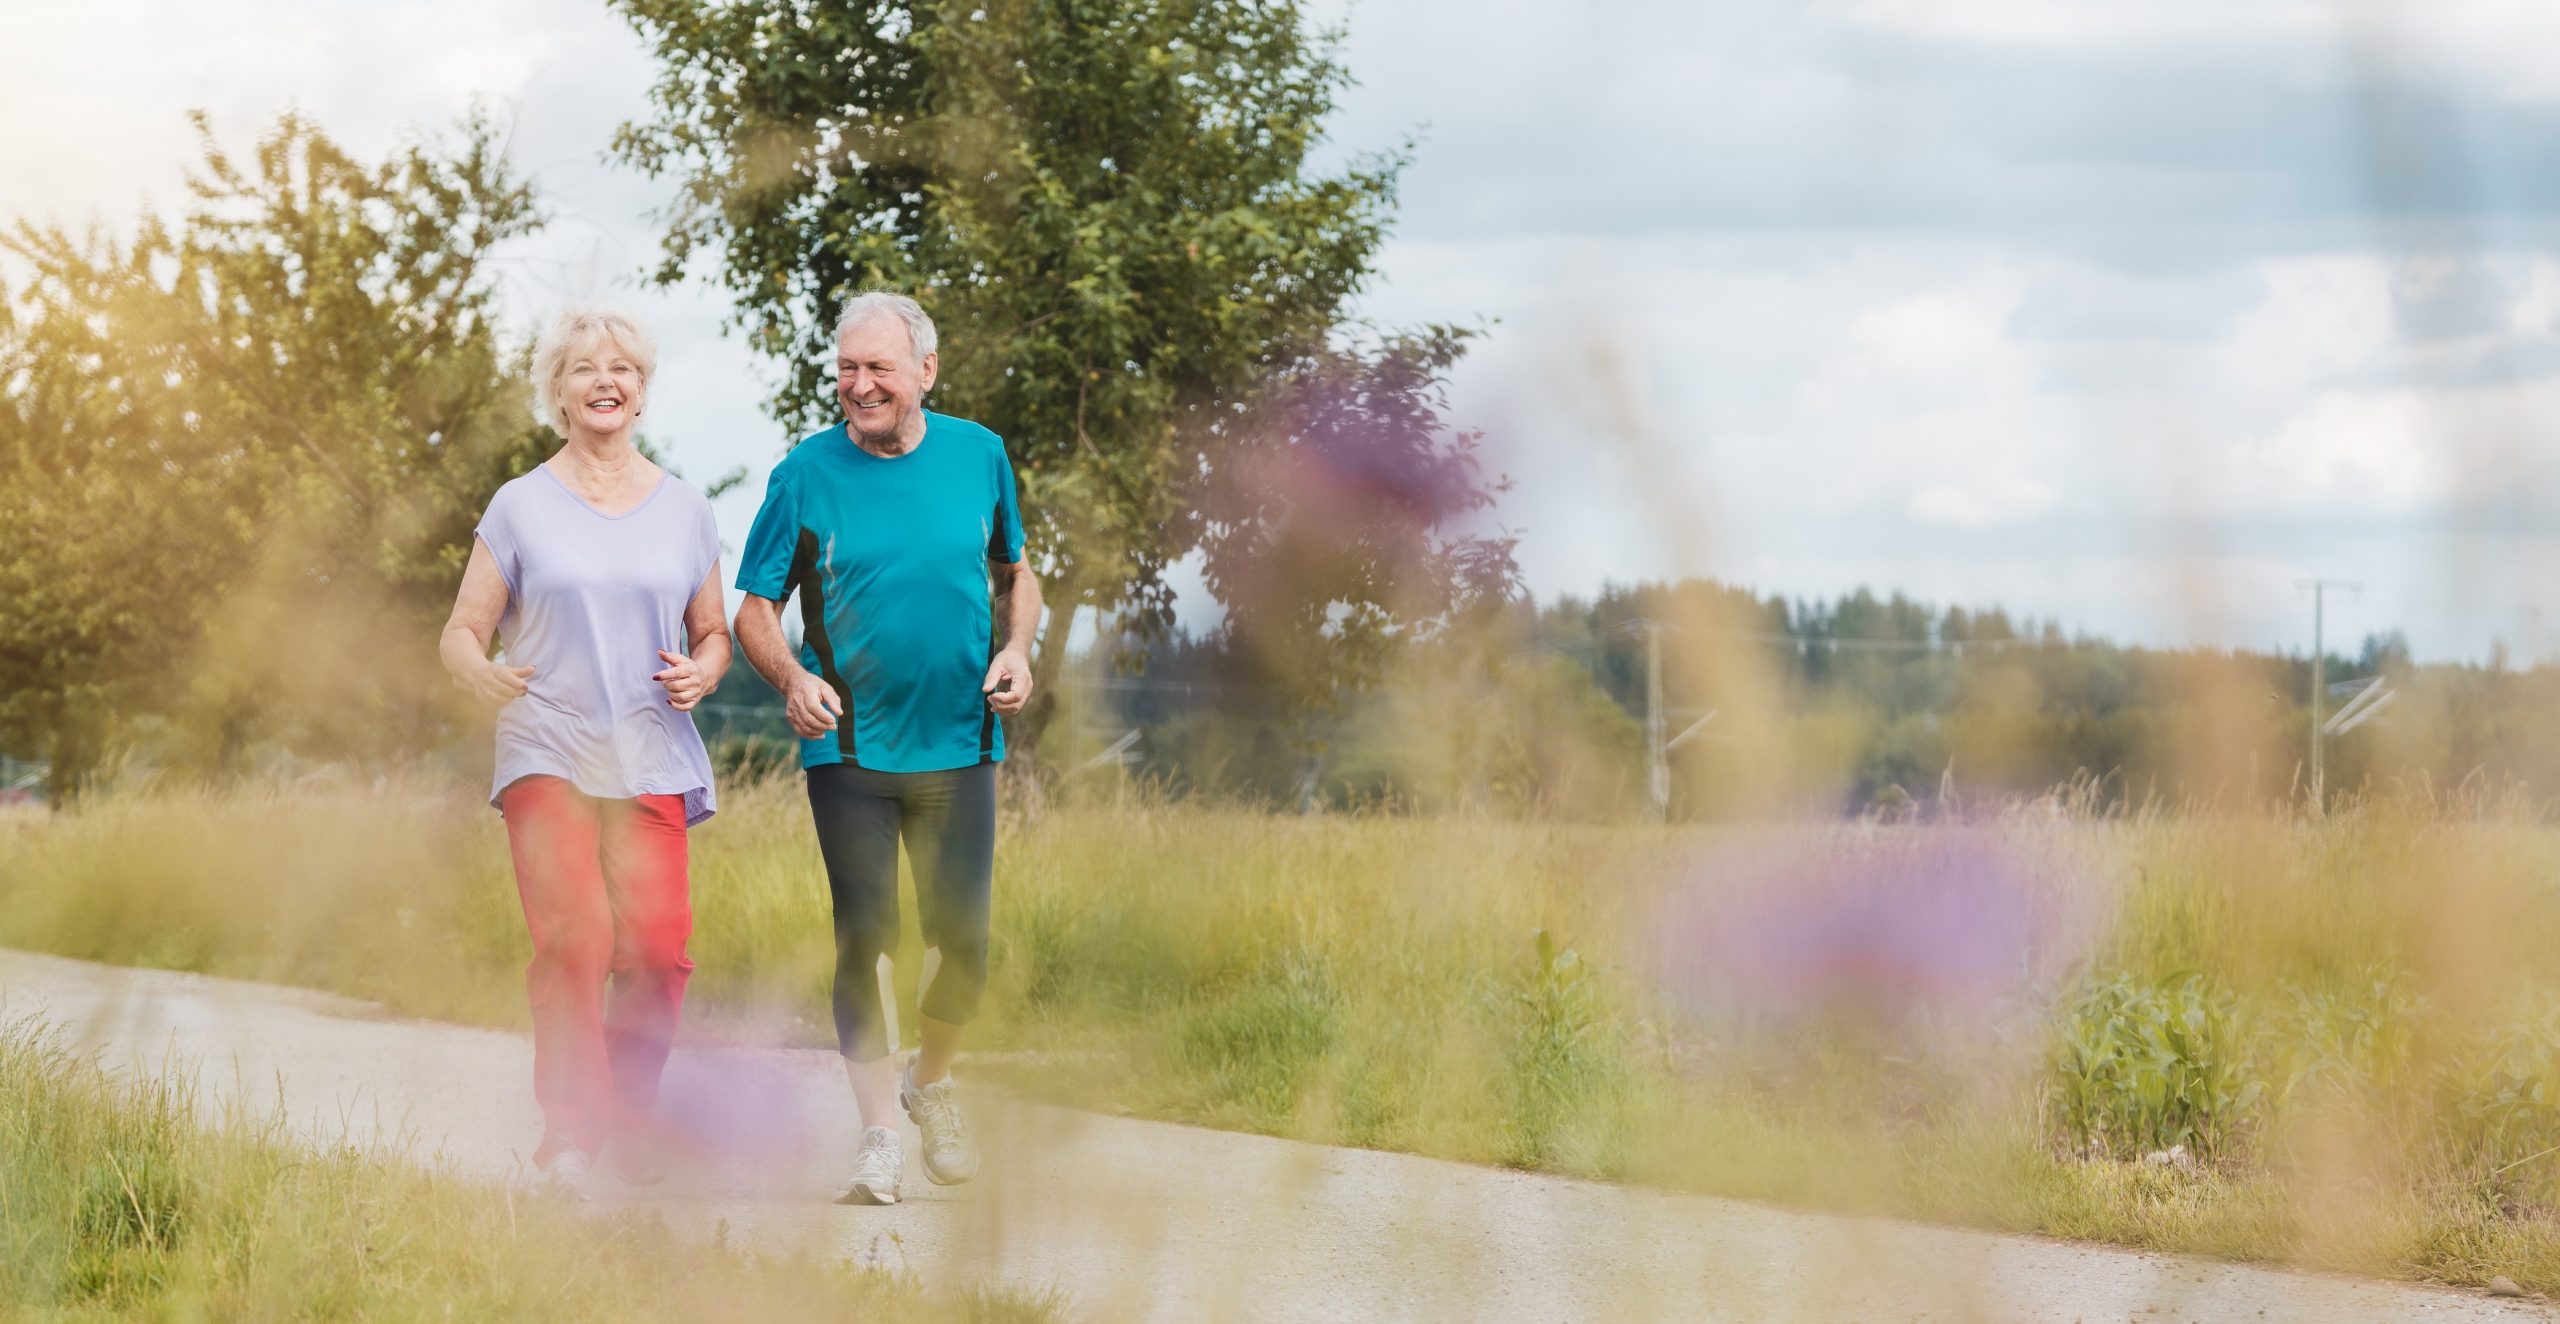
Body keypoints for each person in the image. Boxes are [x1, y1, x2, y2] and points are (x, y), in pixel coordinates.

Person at [733, 291, 1039, 1205]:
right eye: (847, 370)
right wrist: (793, 679)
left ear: (925, 374)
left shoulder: (980, 455)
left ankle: (928, 1081)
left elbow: (1017, 573)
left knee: (966, 947)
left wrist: (1018, 650)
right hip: (851, 750)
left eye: (878, 369)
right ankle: (875, 1136)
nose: (859, 386)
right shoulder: (805, 474)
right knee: (867, 935)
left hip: (961, 742)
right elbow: (754, 607)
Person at [438, 305, 730, 1197]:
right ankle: (571, 1132)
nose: (606, 380)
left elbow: (713, 631)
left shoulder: (686, 508)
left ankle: (629, 1121)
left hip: (647, 749)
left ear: (642, 392)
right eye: (583, 369)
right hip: (548, 745)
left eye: (623, 369)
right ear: (558, 394)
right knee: (576, 936)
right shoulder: (520, 504)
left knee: (658, 947)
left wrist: (705, 673)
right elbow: (460, 630)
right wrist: (477, 671)